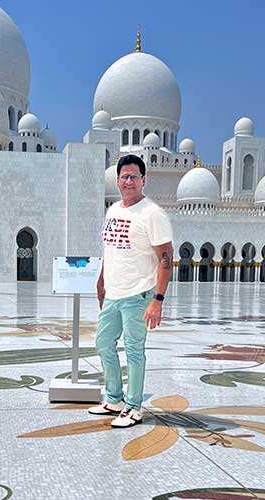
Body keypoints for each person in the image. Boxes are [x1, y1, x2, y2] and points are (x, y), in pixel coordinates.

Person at [89, 154, 173, 428]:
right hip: (113, 293)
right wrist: (101, 281)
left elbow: (166, 259)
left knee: (134, 350)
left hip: (138, 295)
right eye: (124, 177)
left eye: (133, 177)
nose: (128, 181)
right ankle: (114, 399)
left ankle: (133, 407)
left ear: (143, 180)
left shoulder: (152, 213)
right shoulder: (113, 210)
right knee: (104, 343)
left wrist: (157, 300)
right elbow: (110, 249)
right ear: (117, 180)